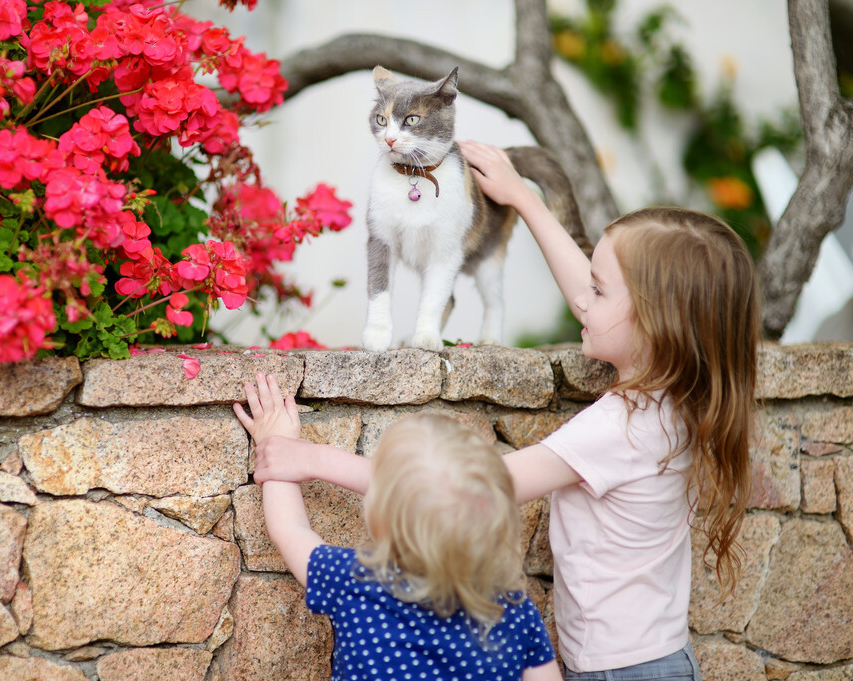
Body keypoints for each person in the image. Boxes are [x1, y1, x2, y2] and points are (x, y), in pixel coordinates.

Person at [252, 140, 760, 681]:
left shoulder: (620, 427)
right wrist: (523, 198)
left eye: (598, 289)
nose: (582, 299)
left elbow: (463, 485)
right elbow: (601, 305)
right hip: (659, 656)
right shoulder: (678, 393)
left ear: (656, 324)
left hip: (622, 672)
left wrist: (304, 459)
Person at [234, 372, 562, 681]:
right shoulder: (513, 609)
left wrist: (274, 443)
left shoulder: (356, 582)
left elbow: (290, 529)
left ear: (381, 515)